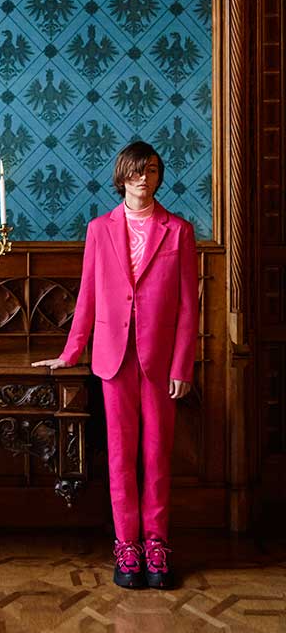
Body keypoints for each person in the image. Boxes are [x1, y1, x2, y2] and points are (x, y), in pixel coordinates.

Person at [33, 142, 199, 590]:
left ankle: (157, 545)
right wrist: (71, 353)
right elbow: (88, 295)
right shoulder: (99, 229)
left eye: (153, 170)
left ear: (159, 177)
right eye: (137, 171)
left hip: (160, 361)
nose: (145, 178)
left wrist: (182, 366)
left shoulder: (179, 231)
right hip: (114, 358)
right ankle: (127, 547)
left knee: (157, 454)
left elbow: (189, 307)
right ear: (122, 176)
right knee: (121, 455)